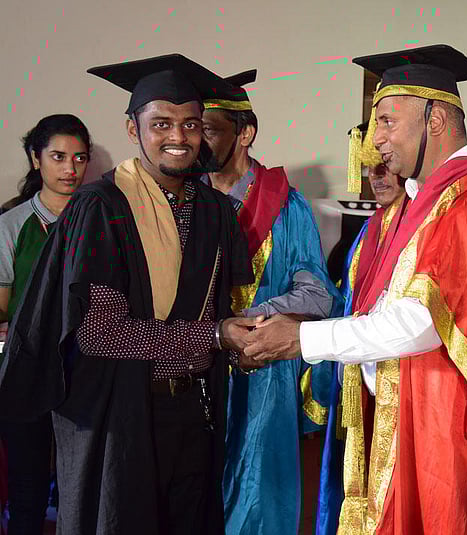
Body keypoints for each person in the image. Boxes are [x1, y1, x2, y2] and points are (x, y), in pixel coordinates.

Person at [244, 44, 467, 534]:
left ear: (435, 119)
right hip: (404, 418)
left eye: (387, 121)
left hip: (446, 432)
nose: (375, 142)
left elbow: (424, 322)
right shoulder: (420, 204)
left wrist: (303, 339)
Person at [0, 54, 256, 535]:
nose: (178, 137)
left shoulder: (216, 211)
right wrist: (216, 337)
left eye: (190, 124)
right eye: (161, 123)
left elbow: (221, 306)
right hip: (118, 414)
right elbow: (101, 334)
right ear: (133, 128)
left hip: (194, 412)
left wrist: (247, 342)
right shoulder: (101, 207)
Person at [199, 68, 341, 535]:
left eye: (209, 129)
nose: (195, 140)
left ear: (246, 134)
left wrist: (249, 319)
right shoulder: (182, 200)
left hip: (261, 371)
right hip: (195, 364)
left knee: (257, 496)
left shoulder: (285, 205)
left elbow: (318, 294)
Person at [0, 114, 91, 535]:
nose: (69, 169)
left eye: (78, 158)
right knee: (27, 486)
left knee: (84, 485)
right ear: (36, 160)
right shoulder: (12, 225)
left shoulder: (100, 219)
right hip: (26, 367)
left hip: (87, 366)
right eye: (57, 157)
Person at [315, 122, 406, 535]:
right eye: (371, 167)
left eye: (386, 165)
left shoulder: (419, 228)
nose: (378, 177)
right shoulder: (371, 229)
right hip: (359, 381)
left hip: (401, 390)